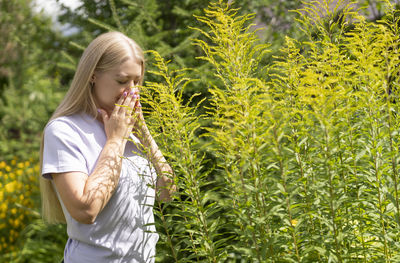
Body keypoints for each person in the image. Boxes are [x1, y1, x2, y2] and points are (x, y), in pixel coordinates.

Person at [39, 31, 176, 263]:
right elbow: (86, 210)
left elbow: (167, 192)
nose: (131, 91)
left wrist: (143, 132)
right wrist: (116, 140)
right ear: (93, 75)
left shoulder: (130, 128)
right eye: (122, 81)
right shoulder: (65, 131)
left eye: (137, 81)